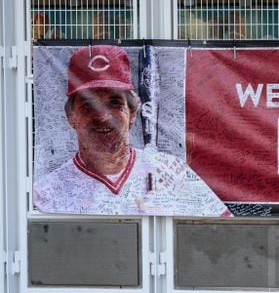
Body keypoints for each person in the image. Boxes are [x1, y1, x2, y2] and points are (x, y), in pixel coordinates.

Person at [33, 45, 231, 217]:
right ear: (71, 116)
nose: (102, 116)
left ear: (133, 114)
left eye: (114, 103)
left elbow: (219, 233)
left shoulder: (171, 172)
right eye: (88, 105)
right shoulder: (46, 192)